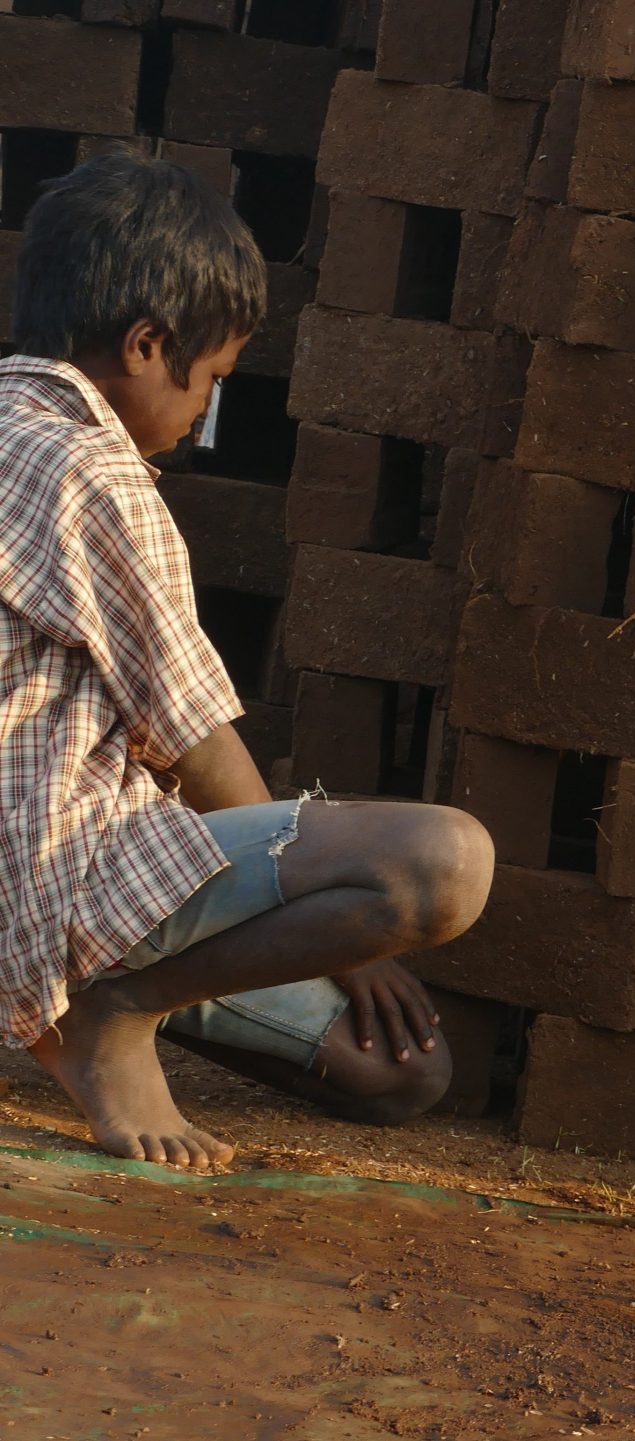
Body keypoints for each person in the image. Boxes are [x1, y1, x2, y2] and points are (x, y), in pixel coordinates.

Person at [2, 151, 495, 1170]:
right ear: (146, 346)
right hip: (47, 890)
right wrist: (343, 913)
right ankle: (119, 1010)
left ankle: (93, 1002)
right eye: (214, 380)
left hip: (46, 895)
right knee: (442, 864)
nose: (203, 415)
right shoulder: (90, 468)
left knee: (398, 1070)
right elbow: (195, 745)